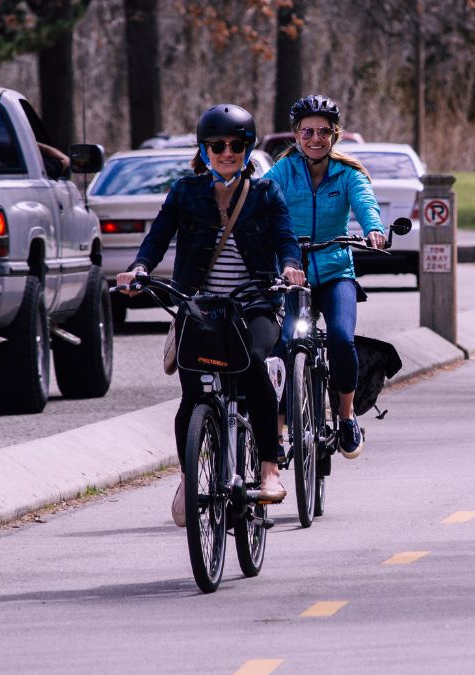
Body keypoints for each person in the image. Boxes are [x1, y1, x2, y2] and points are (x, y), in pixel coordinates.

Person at [117, 103, 305, 526]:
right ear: (204, 150)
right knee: (194, 394)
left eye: (236, 146)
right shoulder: (185, 192)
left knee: (254, 364)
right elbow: (158, 237)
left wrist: (291, 265)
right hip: (199, 306)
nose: (227, 152)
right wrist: (140, 269)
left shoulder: (264, 193)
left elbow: (285, 237)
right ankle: (189, 474)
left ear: (248, 149)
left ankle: (269, 470)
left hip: (254, 302)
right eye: (217, 145)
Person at [265, 94, 385, 459]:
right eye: (307, 132)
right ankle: (279, 430)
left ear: (335, 134)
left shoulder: (348, 173)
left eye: (323, 132)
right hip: (291, 274)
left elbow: (366, 204)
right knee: (283, 344)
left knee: (341, 340)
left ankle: (346, 418)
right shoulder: (282, 172)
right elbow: (261, 203)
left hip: (335, 272)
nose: (315, 139)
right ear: (296, 135)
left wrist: (374, 230)